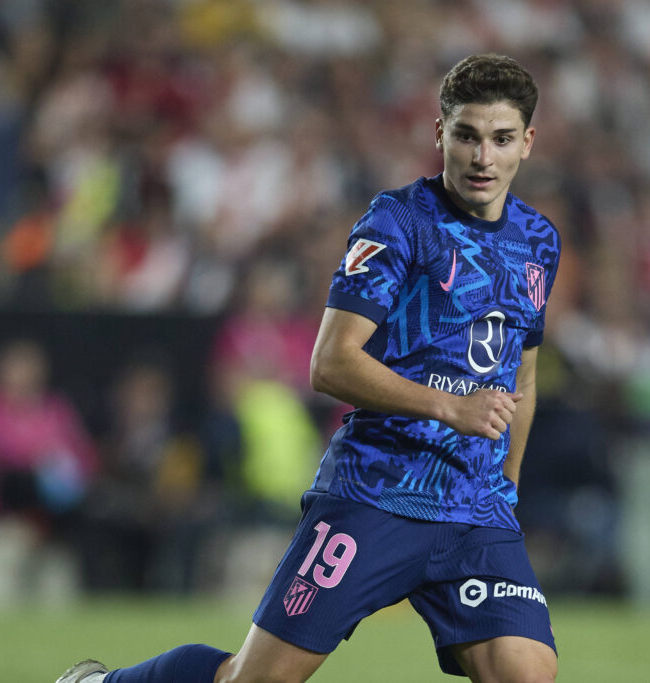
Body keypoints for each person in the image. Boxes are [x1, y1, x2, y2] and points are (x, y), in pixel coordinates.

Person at [57, 53, 561, 683]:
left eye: (501, 139)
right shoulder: (399, 221)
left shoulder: (538, 240)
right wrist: (449, 407)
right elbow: (330, 363)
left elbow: (524, 377)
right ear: (440, 134)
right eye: (466, 135)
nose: (483, 157)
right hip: (378, 493)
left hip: (476, 508)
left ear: (527, 144)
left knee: (527, 673)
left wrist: (507, 485)